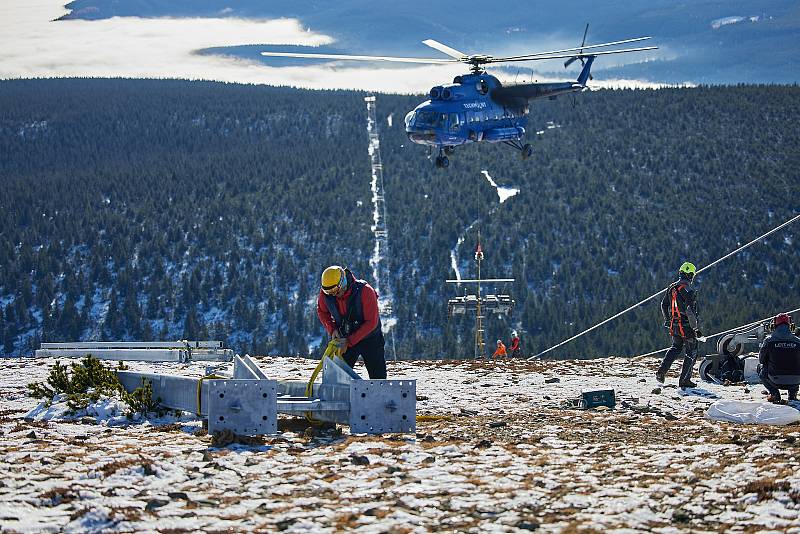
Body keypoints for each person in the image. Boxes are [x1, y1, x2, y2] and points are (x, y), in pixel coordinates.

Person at [316, 265, 386, 379]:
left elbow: (371, 323)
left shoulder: (366, 292)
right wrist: (332, 329)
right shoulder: (327, 293)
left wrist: (349, 341)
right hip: (345, 338)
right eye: (329, 292)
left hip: (370, 338)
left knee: (378, 378)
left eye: (335, 290)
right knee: (338, 377)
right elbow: (322, 311)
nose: (332, 294)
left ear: (342, 283)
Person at [656, 261, 701, 388]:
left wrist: (668, 320)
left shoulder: (671, 288)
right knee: (691, 351)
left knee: (676, 347)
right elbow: (690, 312)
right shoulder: (690, 291)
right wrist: (695, 328)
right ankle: (684, 380)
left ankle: (661, 372)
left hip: (674, 325)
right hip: (686, 326)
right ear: (691, 275)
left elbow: (664, 305)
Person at [759, 313, 800, 404]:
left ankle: (775, 394)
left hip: (775, 380)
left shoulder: (769, 340)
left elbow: (761, 360)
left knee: (761, 369)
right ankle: (793, 395)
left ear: (774, 326)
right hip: (796, 381)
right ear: (790, 326)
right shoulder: (798, 341)